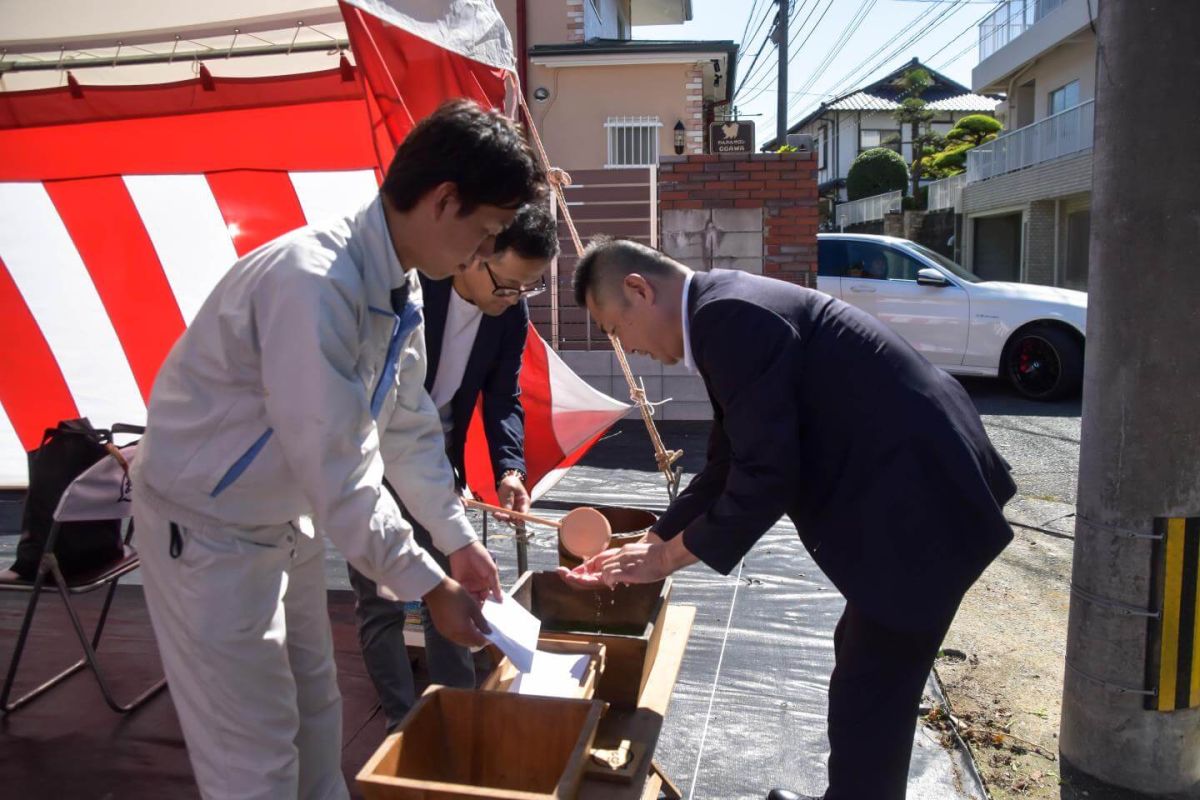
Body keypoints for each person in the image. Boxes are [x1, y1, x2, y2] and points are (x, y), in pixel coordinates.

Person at [130, 100, 545, 800]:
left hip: (278, 527)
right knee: (254, 756)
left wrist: (456, 540)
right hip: (207, 536)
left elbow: (408, 426)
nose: (483, 253)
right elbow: (340, 469)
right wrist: (428, 583)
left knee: (315, 718)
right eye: (487, 231)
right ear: (446, 201)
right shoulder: (314, 282)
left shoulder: (399, 283)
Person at [563, 238, 1015, 800]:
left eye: (615, 329)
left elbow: (765, 476)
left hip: (920, 503)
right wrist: (655, 536)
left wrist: (667, 557)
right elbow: (730, 460)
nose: (624, 349)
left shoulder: (727, 318)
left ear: (639, 289)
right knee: (865, 672)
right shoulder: (722, 309)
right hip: (915, 491)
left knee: (871, 690)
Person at [348, 202, 559, 730]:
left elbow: (504, 395)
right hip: (372, 461)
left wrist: (511, 469)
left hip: (436, 461)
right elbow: (382, 413)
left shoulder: (509, 314)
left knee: (455, 591)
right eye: (506, 283)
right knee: (382, 600)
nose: (511, 299)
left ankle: (458, 715)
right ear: (476, 252)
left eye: (525, 290)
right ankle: (405, 724)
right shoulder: (413, 291)